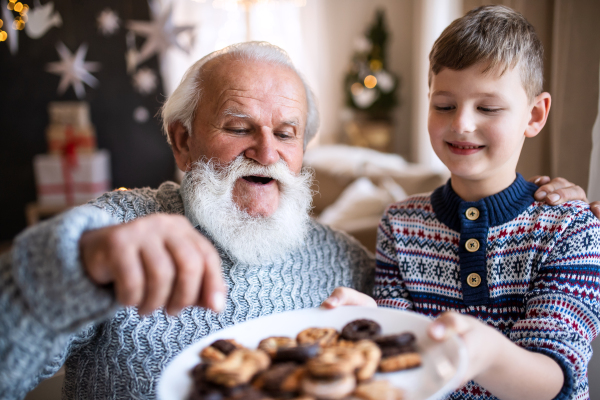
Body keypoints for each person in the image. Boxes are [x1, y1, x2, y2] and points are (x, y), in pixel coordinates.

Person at [0, 41, 592, 400]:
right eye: (238, 127)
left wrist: (546, 197)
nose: (267, 151)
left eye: (286, 133)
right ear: (182, 142)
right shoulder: (113, 234)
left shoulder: (346, 262)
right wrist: (74, 265)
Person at [323, 6, 600, 400]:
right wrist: (372, 320)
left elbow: (553, 380)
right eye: (444, 105)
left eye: (487, 107)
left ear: (534, 115)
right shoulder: (400, 224)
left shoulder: (571, 227)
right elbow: (405, 362)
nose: (461, 124)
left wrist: (485, 353)